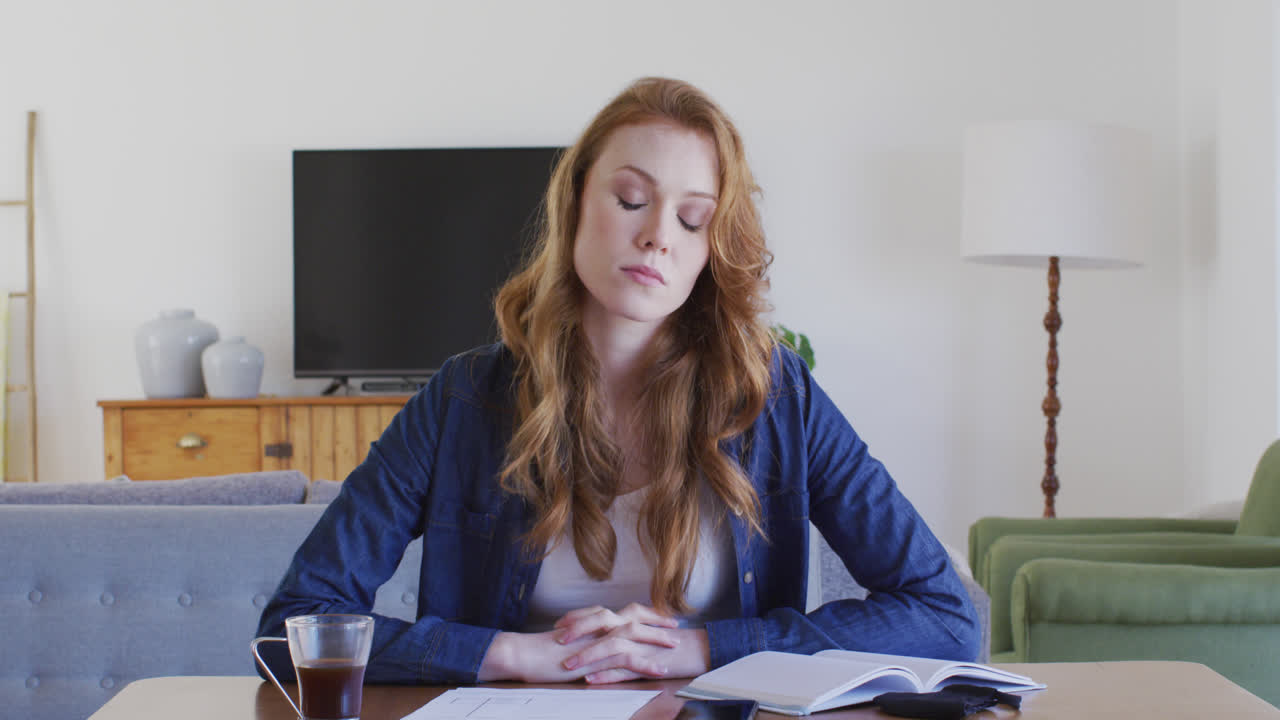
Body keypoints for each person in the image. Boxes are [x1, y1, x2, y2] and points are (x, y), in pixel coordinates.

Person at [257, 76, 979, 686]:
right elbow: (291, 626)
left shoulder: (777, 397)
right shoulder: (461, 399)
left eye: (693, 219)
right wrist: (510, 655)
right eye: (632, 201)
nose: (659, 235)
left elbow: (945, 616)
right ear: (575, 204)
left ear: (708, 251)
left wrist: (703, 650)